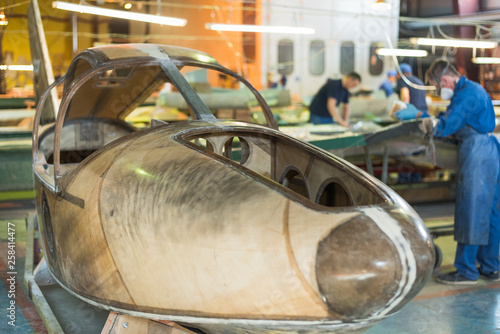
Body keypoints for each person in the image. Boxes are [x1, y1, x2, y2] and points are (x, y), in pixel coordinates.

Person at [424, 59, 500, 285]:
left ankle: (466, 271)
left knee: (472, 209)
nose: (438, 91)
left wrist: (421, 121)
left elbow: (446, 125)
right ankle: (490, 266)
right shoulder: (468, 90)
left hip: (477, 153)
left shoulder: (467, 95)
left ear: (444, 79)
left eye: (436, 86)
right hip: (489, 151)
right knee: (490, 212)